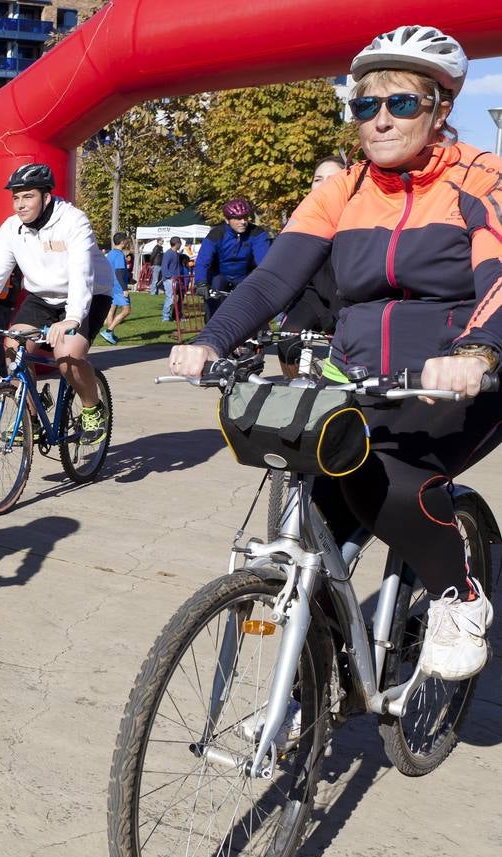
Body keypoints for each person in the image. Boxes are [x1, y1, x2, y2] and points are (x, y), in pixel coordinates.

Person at [169, 25, 502, 680]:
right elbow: (271, 279)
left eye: (399, 103)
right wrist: (211, 339)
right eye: (363, 105)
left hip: (457, 379)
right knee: (311, 505)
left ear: (438, 109)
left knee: (390, 480)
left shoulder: (480, 177)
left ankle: (456, 596)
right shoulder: (341, 190)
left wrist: (479, 352)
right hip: (358, 378)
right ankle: (306, 686)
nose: (378, 120)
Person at [0, 163, 116, 445]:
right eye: (16, 197)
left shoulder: (73, 221)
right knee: (14, 348)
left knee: (67, 355)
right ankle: (29, 417)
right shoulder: (11, 228)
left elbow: (82, 272)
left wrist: (72, 319)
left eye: (28, 196)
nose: (20, 204)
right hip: (42, 296)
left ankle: (93, 408)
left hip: (89, 293)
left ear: (46, 197)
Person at [277, 157, 349, 378]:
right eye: (318, 179)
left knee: (351, 348)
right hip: (314, 294)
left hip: (349, 295)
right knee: (287, 339)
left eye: (333, 178)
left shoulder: (361, 218)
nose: (324, 184)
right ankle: (297, 388)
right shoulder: (301, 219)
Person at [193, 198, 271, 319]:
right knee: (214, 305)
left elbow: (264, 260)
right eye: (238, 218)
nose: (243, 221)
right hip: (218, 273)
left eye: (245, 217)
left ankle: (250, 334)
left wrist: (265, 279)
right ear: (227, 220)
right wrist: (201, 282)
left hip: (243, 274)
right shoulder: (216, 234)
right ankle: (212, 331)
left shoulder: (257, 233)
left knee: (248, 309)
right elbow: (203, 260)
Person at [100, 232, 133, 344]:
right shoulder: (119, 254)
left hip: (111, 285)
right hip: (119, 287)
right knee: (127, 310)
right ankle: (108, 331)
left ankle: (110, 335)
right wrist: (125, 288)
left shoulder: (111, 253)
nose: (127, 242)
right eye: (127, 240)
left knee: (112, 309)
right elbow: (119, 272)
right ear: (123, 241)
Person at [159, 236, 188, 322]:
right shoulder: (168, 254)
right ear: (177, 243)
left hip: (176, 280)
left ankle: (175, 315)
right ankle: (165, 317)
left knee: (176, 298)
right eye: (180, 243)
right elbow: (164, 268)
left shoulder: (176, 254)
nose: (181, 245)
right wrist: (170, 277)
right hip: (170, 280)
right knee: (170, 298)